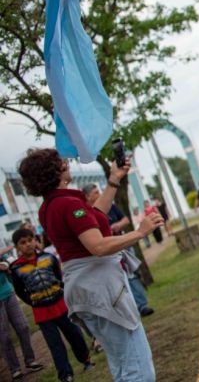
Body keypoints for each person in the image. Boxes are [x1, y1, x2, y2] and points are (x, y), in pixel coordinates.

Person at [17, 148, 163, 382]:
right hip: (101, 289)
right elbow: (98, 246)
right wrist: (139, 232)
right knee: (138, 367)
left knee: (122, 363)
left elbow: (94, 216)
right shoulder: (66, 204)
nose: (67, 162)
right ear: (55, 170)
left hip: (87, 291)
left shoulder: (50, 206)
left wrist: (114, 180)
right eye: (61, 161)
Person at [10, 228, 94, 382]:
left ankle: (86, 360)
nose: (28, 244)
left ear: (35, 240)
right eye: (23, 243)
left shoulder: (49, 258)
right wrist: (34, 301)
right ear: (17, 247)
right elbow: (20, 291)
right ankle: (65, 374)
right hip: (42, 313)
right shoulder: (15, 268)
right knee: (55, 345)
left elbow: (58, 277)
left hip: (61, 305)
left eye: (30, 240)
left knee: (74, 334)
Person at [82, 184, 155, 318]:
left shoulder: (111, 206)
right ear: (87, 196)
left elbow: (126, 219)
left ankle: (142, 305)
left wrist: (118, 225)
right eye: (95, 192)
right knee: (115, 281)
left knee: (131, 275)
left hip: (122, 246)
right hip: (106, 253)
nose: (99, 194)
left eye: (99, 191)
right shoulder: (86, 213)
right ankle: (127, 311)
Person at [0, 253, 44, 380]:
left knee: (23, 327)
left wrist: (5, 264)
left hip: (9, 294)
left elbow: (9, 262)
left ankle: (30, 361)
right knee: (4, 336)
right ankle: (15, 369)